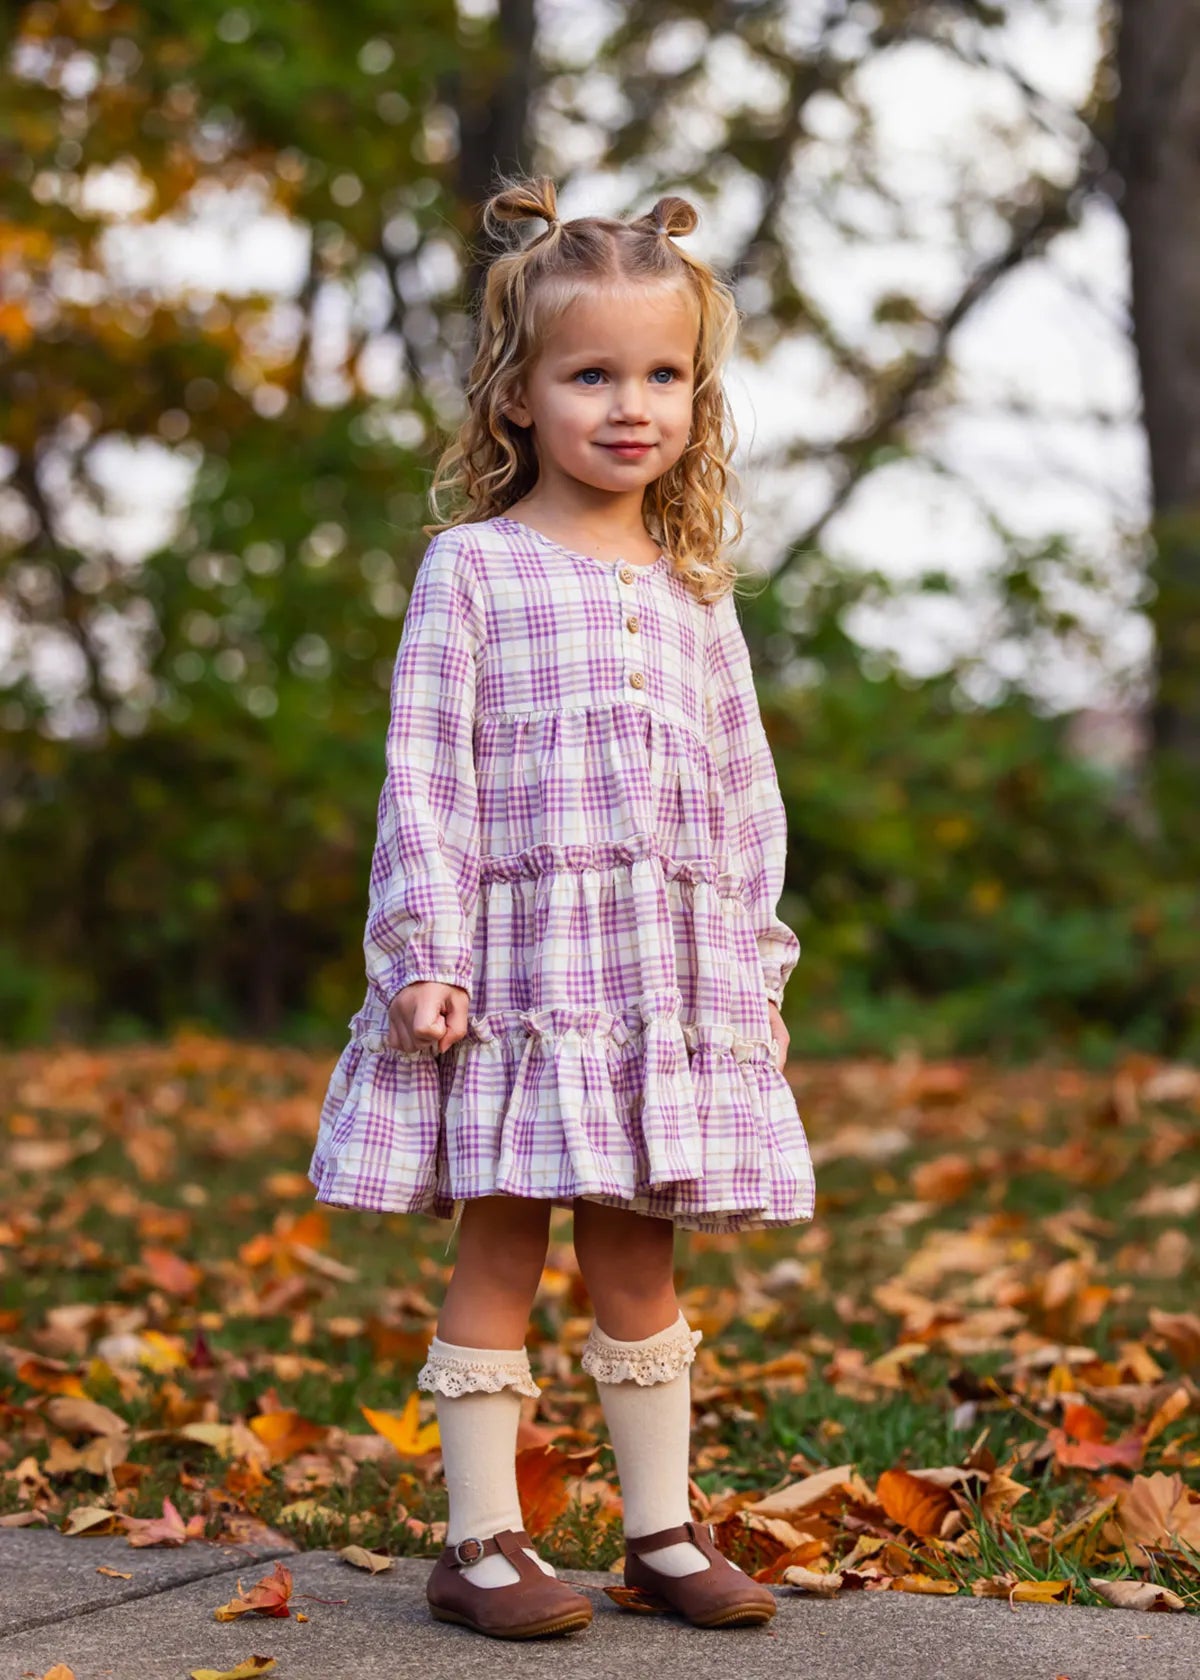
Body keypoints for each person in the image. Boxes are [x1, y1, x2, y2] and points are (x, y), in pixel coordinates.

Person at [308, 174, 816, 1641]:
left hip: (658, 984)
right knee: (501, 1245)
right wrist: (423, 952)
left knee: (639, 1253)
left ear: (696, 397)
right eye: (591, 374)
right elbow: (425, 772)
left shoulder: (696, 590)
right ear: (517, 396)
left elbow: (743, 793)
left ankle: (659, 1532)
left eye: (662, 375)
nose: (630, 405)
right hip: (513, 982)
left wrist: (754, 972)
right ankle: (481, 1543)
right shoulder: (472, 568)